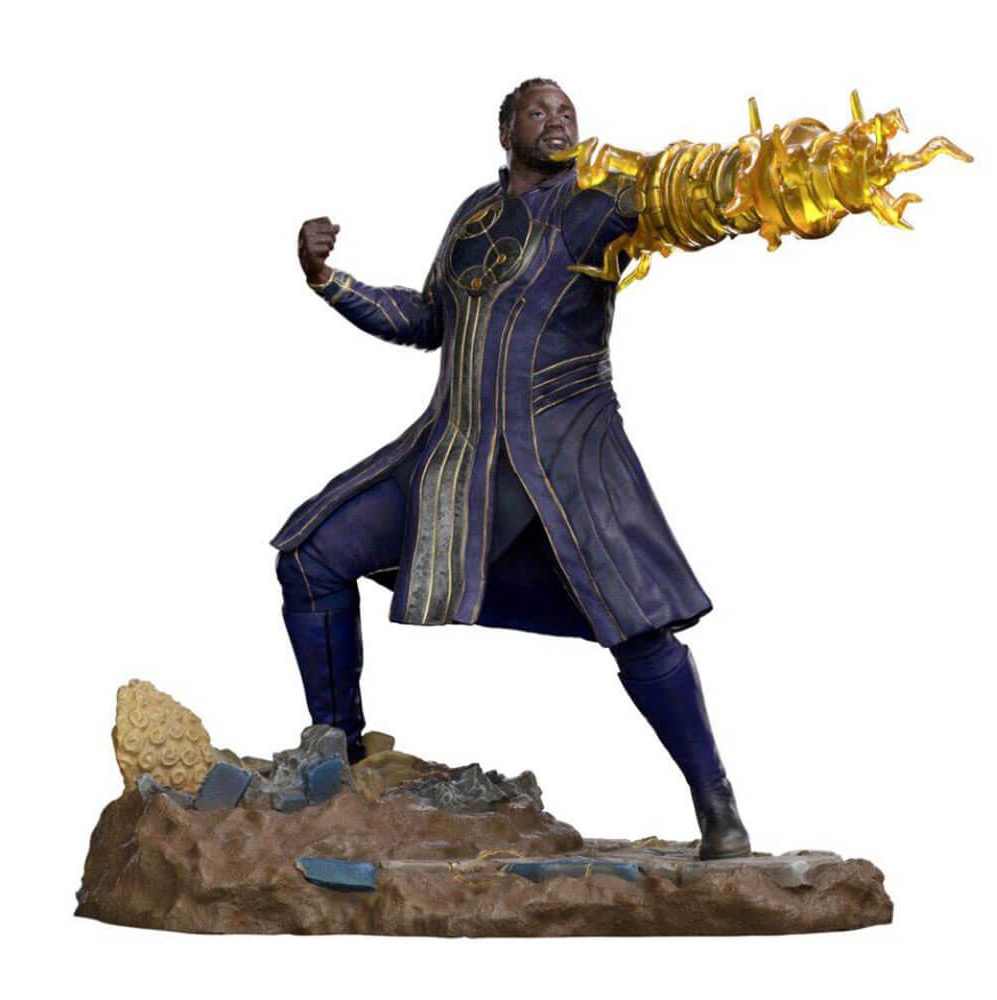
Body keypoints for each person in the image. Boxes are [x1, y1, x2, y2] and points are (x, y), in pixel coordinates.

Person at [272, 78, 750, 859]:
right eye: (539, 111)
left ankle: (718, 805)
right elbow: (428, 318)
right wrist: (329, 280)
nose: (557, 121)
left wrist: (746, 185)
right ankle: (339, 758)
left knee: (638, 628)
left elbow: (686, 202)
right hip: (454, 455)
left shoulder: (602, 204)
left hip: (565, 460)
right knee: (310, 554)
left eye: (567, 112)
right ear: (506, 131)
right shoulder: (475, 215)